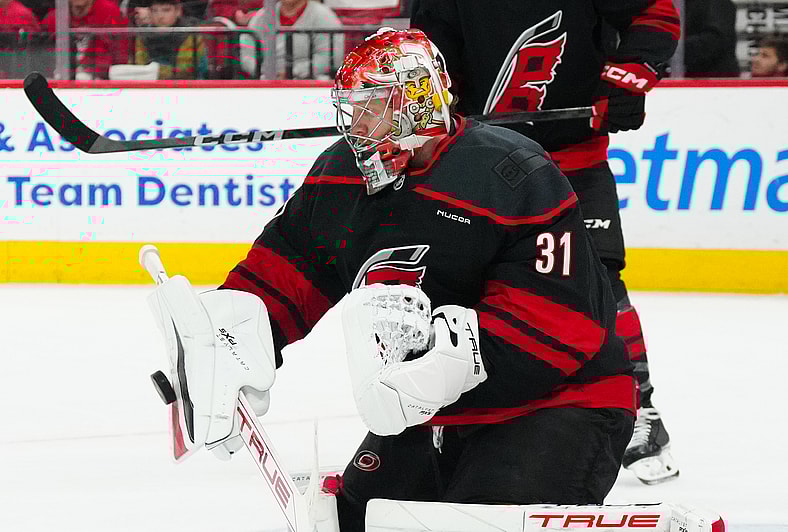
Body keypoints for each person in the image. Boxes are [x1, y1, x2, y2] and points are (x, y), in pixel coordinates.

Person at [149, 28, 636, 532]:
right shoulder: (340, 172)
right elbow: (291, 266)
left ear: (417, 102)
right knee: (354, 522)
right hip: (430, 410)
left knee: (479, 522)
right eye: (353, 106)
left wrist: (451, 359)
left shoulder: (513, 173)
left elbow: (562, 321)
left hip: (561, 403)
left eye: (371, 105)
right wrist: (232, 335)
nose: (356, 122)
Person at [410, 0, 681, 485]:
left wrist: (626, 78)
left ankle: (640, 406)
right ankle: (469, 412)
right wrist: (431, 115)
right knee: (466, 285)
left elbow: (655, 13)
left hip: (574, 161)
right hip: (487, 161)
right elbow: (431, 56)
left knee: (600, 286)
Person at [240, 0, 343, 79]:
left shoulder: (324, 16)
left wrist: (293, 72)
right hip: (265, 81)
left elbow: (331, 57)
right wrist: (265, 73)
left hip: (310, 82)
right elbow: (246, 53)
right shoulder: (262, 16)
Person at [41, 0, 128, 79]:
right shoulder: (54, 18)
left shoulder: (109, 12)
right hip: (64, 81)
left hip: (103, 81)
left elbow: (121, 56)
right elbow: (41, 59)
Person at [133, 0, 209, 79]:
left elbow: (186, 69)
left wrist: (155, 71)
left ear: (178, 11)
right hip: (150, 84)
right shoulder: (143, 34)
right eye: (154, 10)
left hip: (186, 84)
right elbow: (139, 67)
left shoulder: (191, 34)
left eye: (166, 10)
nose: (160, 16)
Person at [684, 0, 740, 77]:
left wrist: (675, 50)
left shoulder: (715, 3)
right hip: (697, 76)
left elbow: (714, 40)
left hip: (713, 77)